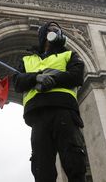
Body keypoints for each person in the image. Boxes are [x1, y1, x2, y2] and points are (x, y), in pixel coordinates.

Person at [13, 21, 86, 182]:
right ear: (44, 34)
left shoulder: (69, 54)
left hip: (64, 111)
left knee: (74, 159)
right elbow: (17, 82)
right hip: (38, 116)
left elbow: (77, 76)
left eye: (59, 30)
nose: (58, 33)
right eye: (53, 30)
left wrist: (52, 79)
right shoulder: (26, 60)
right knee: (41, 165)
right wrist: (36, 77)